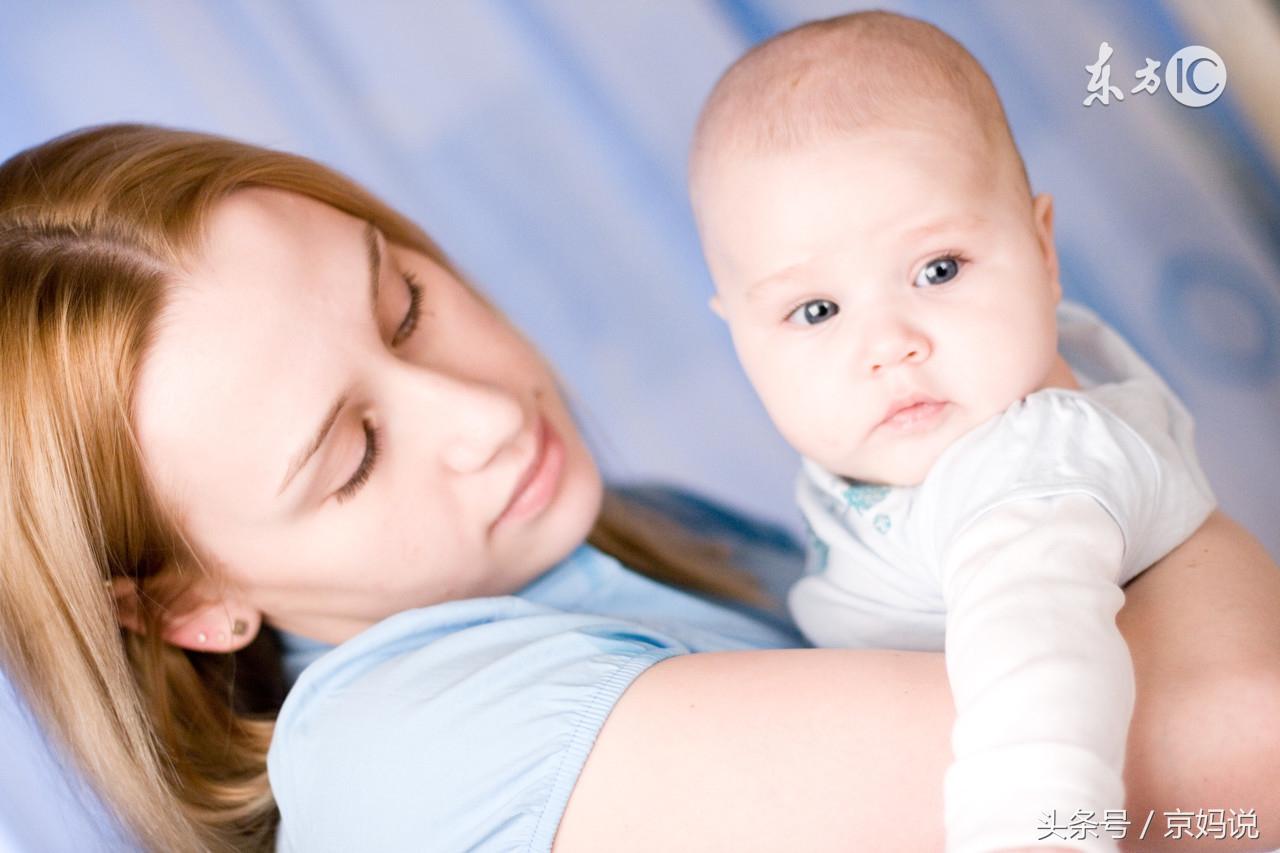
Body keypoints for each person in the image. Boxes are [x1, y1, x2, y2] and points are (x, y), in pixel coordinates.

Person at [0, 123, 1277, 853]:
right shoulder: (408, 757)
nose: (489, 415)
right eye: (352, 456)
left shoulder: (648, 532)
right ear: (183, 602)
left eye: (406, 304)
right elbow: (1244, 751)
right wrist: (1061, 415)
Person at [687, 12, 1223, 851]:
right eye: (816, 310)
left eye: (938, 269)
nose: (889, 343)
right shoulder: (919, 437)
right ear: (740, 336)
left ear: (1043, 252)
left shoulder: (1025, 477)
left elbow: (1037, 684)